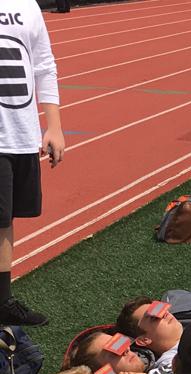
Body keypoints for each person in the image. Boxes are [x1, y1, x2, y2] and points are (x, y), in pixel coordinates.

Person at [0, 0, 65, 326]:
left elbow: (43, 65)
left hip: (21, 132)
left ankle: (2, 300)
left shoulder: (27, 6)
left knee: (5, 218)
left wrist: (53, 126)